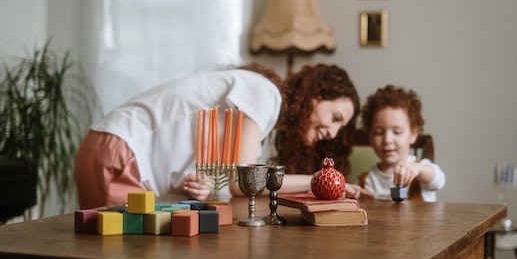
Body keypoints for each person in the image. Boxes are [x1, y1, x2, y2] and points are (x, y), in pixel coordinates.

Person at [75, 63, 369, 209]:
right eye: (335, 118)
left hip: (109, 145)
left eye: (339, 129)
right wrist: (320, 181)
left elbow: (224, 180)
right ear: (315, 96)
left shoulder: (258, 101)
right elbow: (244, 181)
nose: (331, 132)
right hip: (120, 151)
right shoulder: (265, 93)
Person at [359, 85, 445, 201]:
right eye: (379, 132)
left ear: (413, 134)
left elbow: (439, 180)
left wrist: (418, 169)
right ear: (370, 136)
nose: (387, 140)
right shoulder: (366, 179)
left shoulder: (420, 170)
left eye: (397, 132)